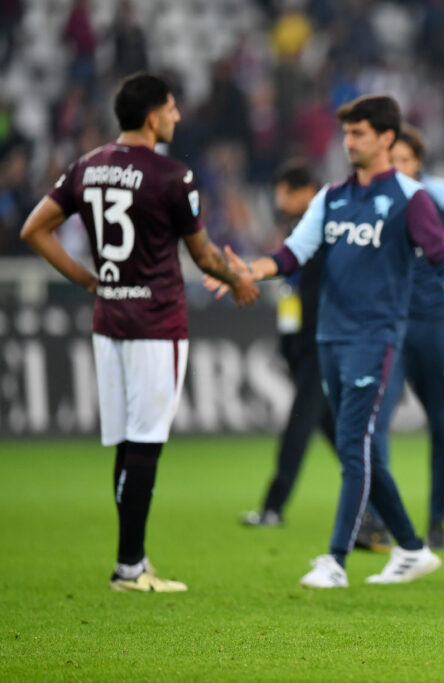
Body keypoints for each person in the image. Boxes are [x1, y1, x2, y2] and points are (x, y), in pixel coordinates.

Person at [217, 95, 444, 589]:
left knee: (351, 442)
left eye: (358, 133)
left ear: (385, 137)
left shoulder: (410, 197)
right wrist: (251, 270)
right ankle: (412, 548)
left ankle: (336, 559)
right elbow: (293, 253)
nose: (348, 142)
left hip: (375, 336)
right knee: (360, 449)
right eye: (346, 133)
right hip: (330, 337)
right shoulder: (332, 197)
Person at [19, 72, 258, 592]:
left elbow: (34, 229)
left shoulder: (87, 166)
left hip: (109, 321)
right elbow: (202, 255)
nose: (177, 116)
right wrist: (237, 279)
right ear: (152, 117)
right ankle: (129, 566)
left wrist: (89, 279)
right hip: (156, 321)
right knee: (145, 443)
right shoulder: (173, 175)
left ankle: (133, 559)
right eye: (171, 109)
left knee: (128, 443)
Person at [238, 159, 391, 553]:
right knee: (346, 442)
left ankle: (273, 507)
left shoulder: (330, 227)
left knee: (299, 430)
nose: (279, 202)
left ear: (305, 191)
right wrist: (289, 343)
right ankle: (378, 517)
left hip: (324, 347)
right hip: (306, 347)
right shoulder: (302, 228)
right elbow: (293, 291)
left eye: (284, 193)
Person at [382, 125, 444, 550]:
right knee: (376, 422)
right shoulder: (379, 199)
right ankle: (376, 517)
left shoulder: (443, 197)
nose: (396, 168)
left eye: (403, 160)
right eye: (391, 161)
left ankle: (437, 521)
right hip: (393, 323)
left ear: (417, 162)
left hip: (437, 324)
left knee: (440, 425)